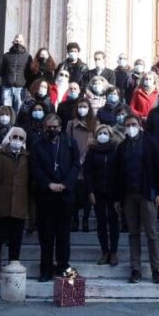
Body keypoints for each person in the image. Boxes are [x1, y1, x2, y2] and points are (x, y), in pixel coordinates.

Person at [115, 113, 159, 284]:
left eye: (133, 124)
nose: (130, 127)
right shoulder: (121, 147)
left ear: (139, 125)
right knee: (133, 233)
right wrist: (117, 199)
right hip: (128, 195)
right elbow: (117, 173)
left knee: (151, 233)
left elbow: (158, 169)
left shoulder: (150, 143)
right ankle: (135, 268)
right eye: (127, 124)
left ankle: (156, 269)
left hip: (147, 194)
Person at [30, 114, 80, 281]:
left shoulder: (70, 143)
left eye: (55, 127)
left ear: (60, 127)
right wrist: (47, 184)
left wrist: (66, 183)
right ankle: (45, 269)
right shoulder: (37, 145)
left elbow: (75, 165)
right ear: (44, 127)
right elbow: (35, 167)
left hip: (65, 195)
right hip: (46, 195)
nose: (52, 130)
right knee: (46, 235)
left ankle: (63, 266)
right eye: (48, 127)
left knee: (63, 235)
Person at [0, 127, 31, 283]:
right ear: (9, 138)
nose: (17, 139)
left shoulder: (28, 158)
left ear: (24, 141)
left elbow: (31, 184)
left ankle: (13, 267)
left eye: (20, 138)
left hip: (19, 205)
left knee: (16, 241)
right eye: (14, 136)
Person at [84, 125, 122, 265]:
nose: (103, 135)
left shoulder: (115, 151)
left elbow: (120, 173)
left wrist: (118, 196)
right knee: (101, 222)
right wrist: (90, 191)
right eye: (100, 133)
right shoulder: (92, 152)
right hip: (98, 192)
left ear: (110, 135)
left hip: (113, 192)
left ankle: (113, 252)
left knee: (113, 222)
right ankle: (104, 251)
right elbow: (87, 173)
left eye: (106, 133)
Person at [66, 98, 96, 232]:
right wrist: (76, 159)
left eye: (85, 106)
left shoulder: (94, 123)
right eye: (80, 106)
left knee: (87, 193)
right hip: (74, 162)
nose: (82, 109)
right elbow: (67, 143)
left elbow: (95, 143)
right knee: (73, 193)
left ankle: (85, 221)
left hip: (89, 163)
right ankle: (74, 220)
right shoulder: (71, 124)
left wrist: (85, 158)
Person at [0, 34, 32, 113]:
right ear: (13, 42)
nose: (18, 43)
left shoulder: (28, 57)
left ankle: (17, 124)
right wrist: (0, 83)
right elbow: (2, 71)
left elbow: (29, 73)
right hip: (7, 87)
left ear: (23, 43)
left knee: (19, 109)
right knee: (6, 110)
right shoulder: (6, 56)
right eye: (17, 41)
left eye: (20, 41)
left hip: (20, 88)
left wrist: (27, 86)